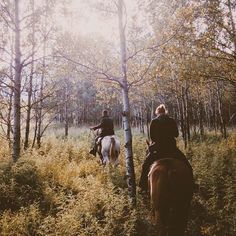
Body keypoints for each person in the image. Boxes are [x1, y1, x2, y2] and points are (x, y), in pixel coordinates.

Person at [139, 104, 193, 193]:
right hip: (172, 149)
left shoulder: (154, 121)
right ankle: (192, 185)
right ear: (165, 112)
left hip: (158, 150)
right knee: (187, 165)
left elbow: (152, 138)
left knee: (145, 165)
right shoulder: (171, 120)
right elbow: (176, 134)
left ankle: (143, 187)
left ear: (157, 113)